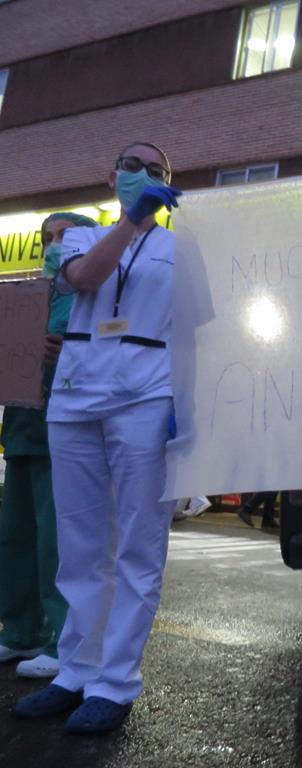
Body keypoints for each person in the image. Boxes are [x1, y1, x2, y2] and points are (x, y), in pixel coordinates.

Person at [12, 142, 181, 733]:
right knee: (81, 544)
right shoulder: (80, 238)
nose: (138, 175)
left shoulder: (184, 248)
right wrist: (131, 222)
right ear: (111, 176)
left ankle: (115, 683)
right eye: (128, 165)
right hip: (76, 397)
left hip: (145, 397)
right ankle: (75, 671)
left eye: (152, 169)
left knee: (138, 543)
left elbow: (198, 329)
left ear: (168, 182)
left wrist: (189, 403)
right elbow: (83, 279)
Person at [0, 213, 98, 680]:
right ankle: (20, 631)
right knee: (14, 536)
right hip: (21, 428)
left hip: (66, 432)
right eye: (47, 237)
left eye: (64, 236)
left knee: (56, 544)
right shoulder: (27, 295)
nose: (53, 244)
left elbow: (117, 353)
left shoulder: (93, 296)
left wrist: (75, 349)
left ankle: (65, 641)